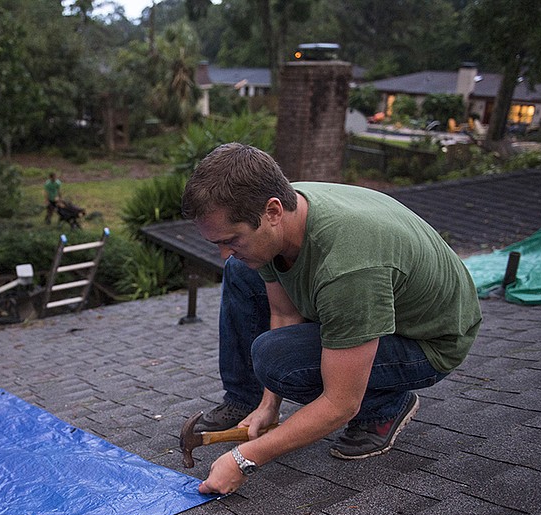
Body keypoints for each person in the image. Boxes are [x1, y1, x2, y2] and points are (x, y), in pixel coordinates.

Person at [180, 143, 482, 495]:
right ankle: (246, 404)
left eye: (231, 239)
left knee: (277, 361)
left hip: (428, 341)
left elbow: (340, 403)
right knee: (240, 270)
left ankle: (383, 408)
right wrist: (268, 405)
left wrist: (244, 458)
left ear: (273, 211)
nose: (222, 252)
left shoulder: (349, 266)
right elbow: (284, 312)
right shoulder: (282, 209)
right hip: (369, 303)